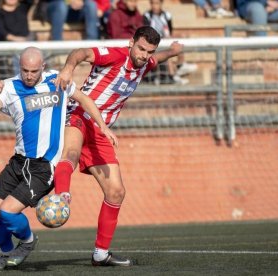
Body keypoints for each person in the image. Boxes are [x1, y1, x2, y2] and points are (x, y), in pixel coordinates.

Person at [53, 26, 184, 266]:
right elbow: (80, 52)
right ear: (131, 42)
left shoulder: (145, 63)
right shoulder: (115, 55)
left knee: (116, 192)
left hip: (103, 132)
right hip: (79, 115)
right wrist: (68, 68)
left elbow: (158, 58)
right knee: (70, 154)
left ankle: (101, 254)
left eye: (149, 51)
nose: (144, 55)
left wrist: (173, 52)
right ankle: (61, 198)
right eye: (141, 48)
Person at [0, 47, 117, 271]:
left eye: (34, 71)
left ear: (42, 67)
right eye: (25, 70)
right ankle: (6, 253)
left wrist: (102, 126)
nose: (29, 75)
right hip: (19, 162)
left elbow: (83, 98)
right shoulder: (9, 87)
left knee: (7, 211)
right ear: (19, 67)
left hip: (44, 166)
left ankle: (28, 241)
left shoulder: (56, 80)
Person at [144, 0, 197, 85]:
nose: (154, 6)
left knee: (179, 39)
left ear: (161, 4)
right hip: (153, 41)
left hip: (165, 38)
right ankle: (172, 76)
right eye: (153, 3)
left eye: (157, 3)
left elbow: (169, 31)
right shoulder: (147, 16)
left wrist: (176, 36)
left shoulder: (166, 15)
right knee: (168, 49)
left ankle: (180, 65)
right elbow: (147, 32)